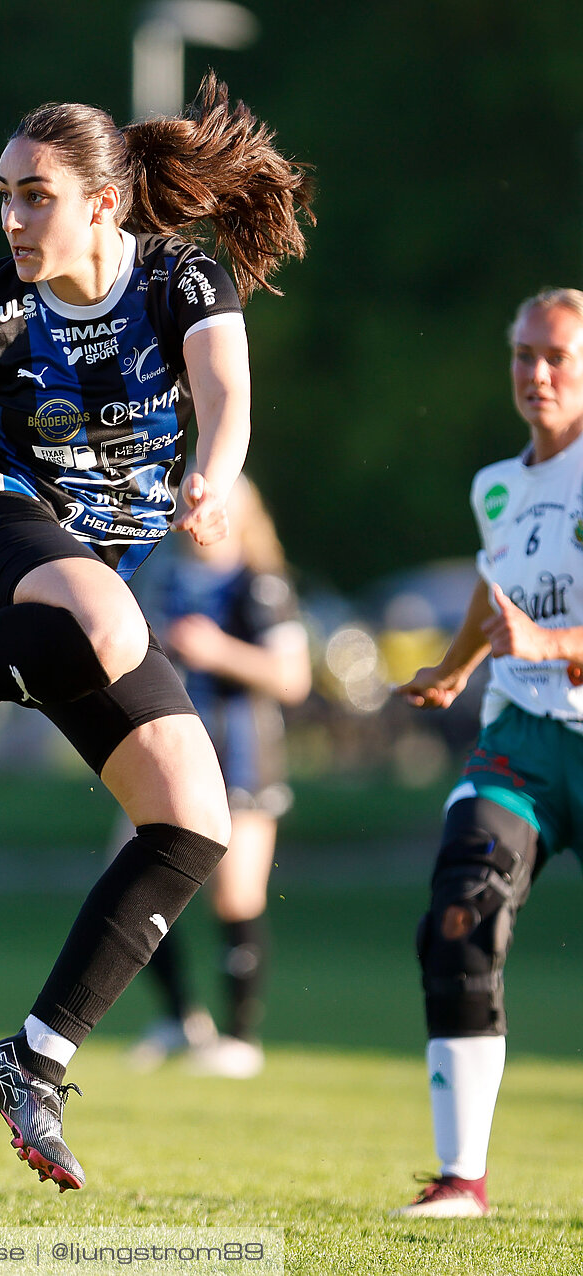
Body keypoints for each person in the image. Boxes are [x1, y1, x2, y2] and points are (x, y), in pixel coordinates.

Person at [0, 74, 311, 1190]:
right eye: (4, 195)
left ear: (105, 204)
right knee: (102, 616)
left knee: (196, 820)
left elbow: (227, 388)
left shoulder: (181, 276)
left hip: (85, 601)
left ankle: (34, 1058)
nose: (14, 219)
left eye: (36, 195)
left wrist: (215, 482)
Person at [392, 287, 583, 1219]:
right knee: (459, 916)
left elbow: (538, 627)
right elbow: (492, 584)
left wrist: (553, 645)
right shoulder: (496, 486)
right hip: (521, 741)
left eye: (557, 357)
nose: (536, 373)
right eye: (523, 354)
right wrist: (455, 667)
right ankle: (461, 1181)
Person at [123, 477, 311, 1079]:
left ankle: (240, 1039)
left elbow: (293, 677)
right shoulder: (166, 576)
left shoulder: (261, 585)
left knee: (236, 896)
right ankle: (182, 1020)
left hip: (243, 758)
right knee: (127, 882)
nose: (188, 510)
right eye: (183, 499)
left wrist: (217, 651)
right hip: (169, 757)